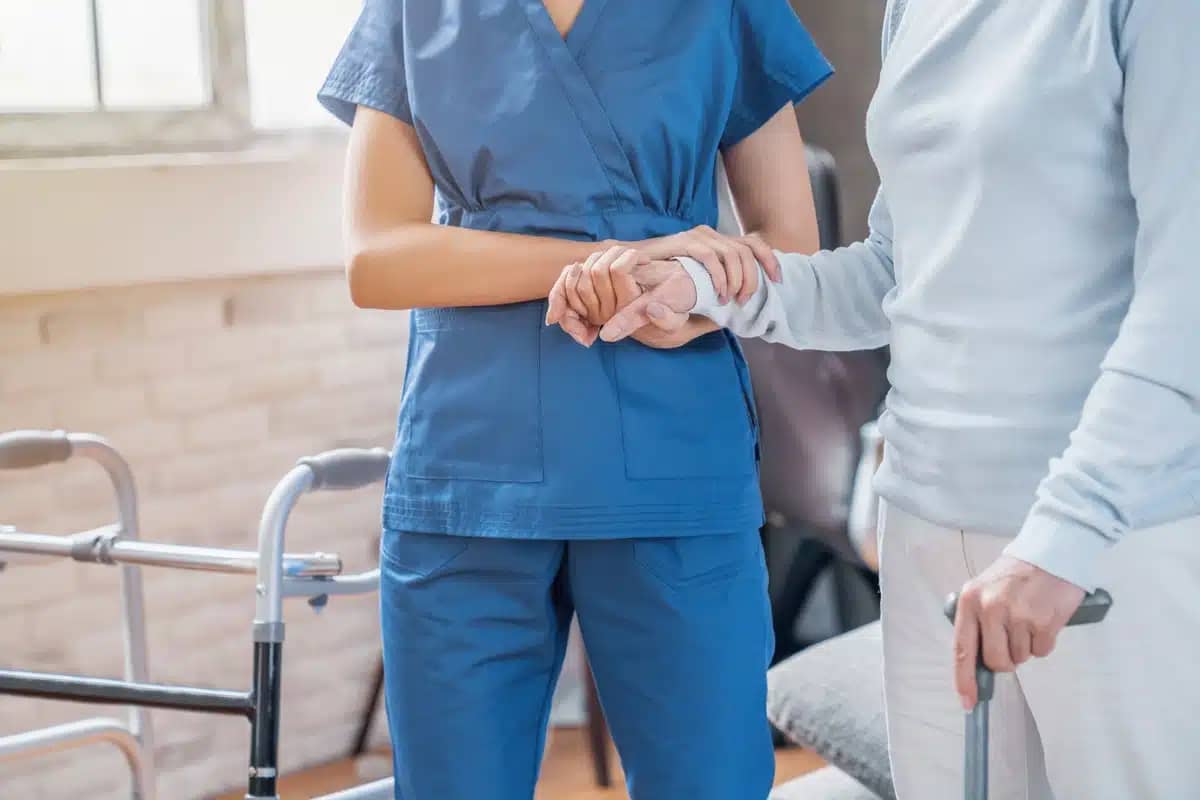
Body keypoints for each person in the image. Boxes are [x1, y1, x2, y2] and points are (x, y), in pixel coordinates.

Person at [549, 0, 1200, 797]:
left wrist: (1064, 538)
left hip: (1099, 542)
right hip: (925, 523)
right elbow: (895, 269)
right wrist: (706, 290)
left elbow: (1185, 301)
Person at [317, 2, 832, 798]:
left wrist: (688, 296)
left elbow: (790, 248)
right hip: (471, 469)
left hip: (674, 462)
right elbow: (376, 259)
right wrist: (607, 258)